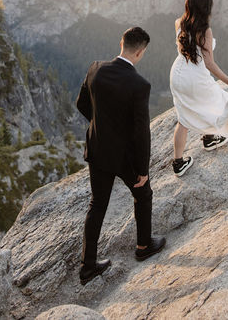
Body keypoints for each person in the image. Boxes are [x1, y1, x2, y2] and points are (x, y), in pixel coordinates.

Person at [76, 26, 166, 285]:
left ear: (121, 44)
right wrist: (142, 169)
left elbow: (82, 104)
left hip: (98, 150)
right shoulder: (139, 85)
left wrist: (102, 126)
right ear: (139, 53)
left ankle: (88, 266)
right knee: (143, 194)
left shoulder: (95, 68)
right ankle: (143, 245)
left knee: (97, 205)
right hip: (124, 156)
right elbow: (141, 133)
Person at [168, 0, 228, 176]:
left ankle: (178, 162)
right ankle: (209, 138)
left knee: (183, 117)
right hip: (195, 75)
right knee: (216, 100)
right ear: (206, 8)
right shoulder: (205, 31)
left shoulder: (179, 23)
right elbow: (209, 64)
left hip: (178, 74)